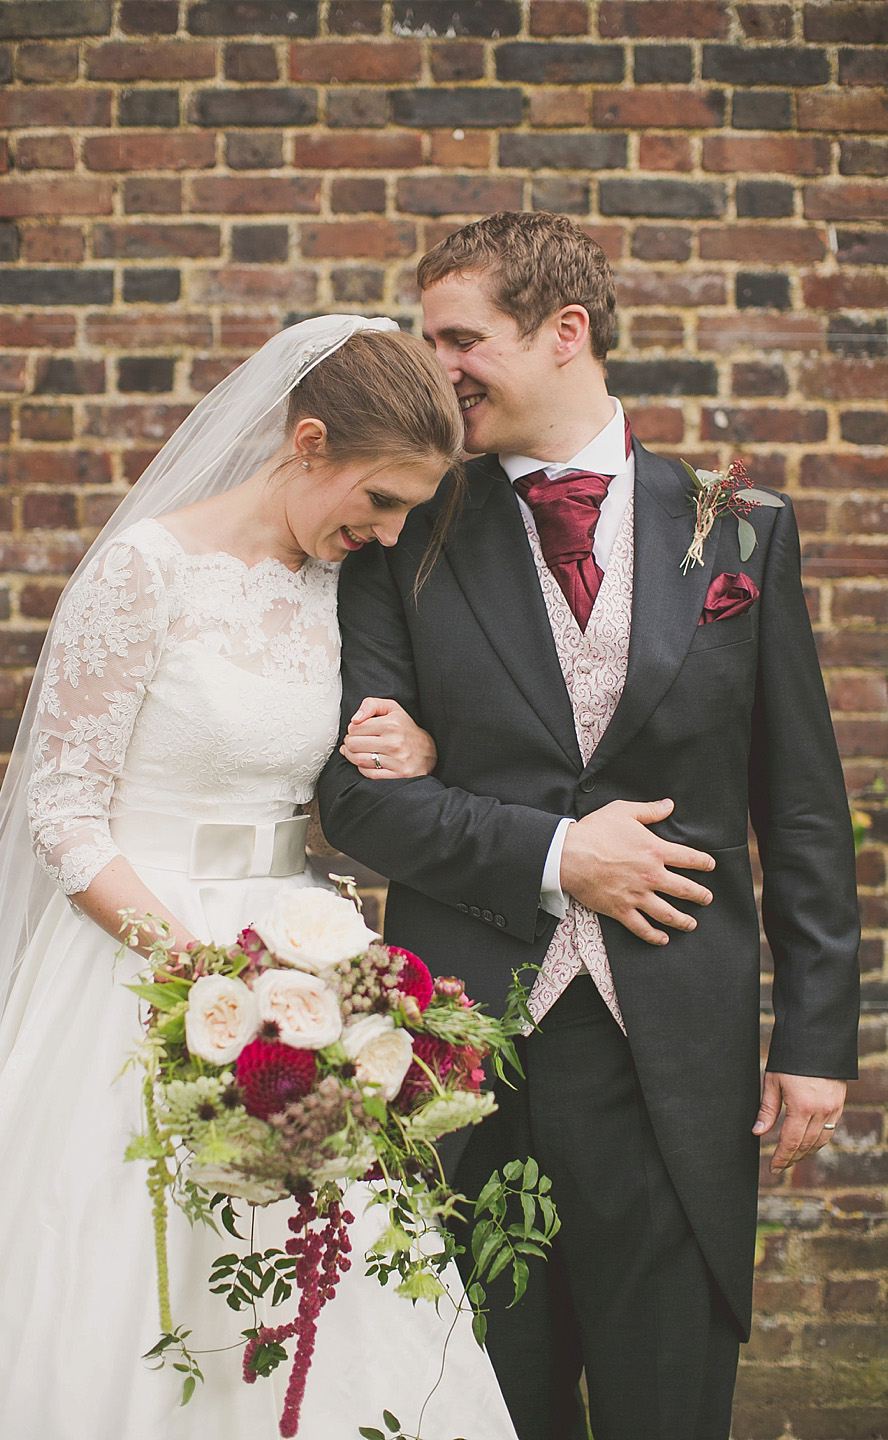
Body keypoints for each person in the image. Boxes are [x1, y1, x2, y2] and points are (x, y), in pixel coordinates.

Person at [318, 212, 861, 1440]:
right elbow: (353, 797)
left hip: (677, 1044)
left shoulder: (742, 528)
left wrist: (819, 1036)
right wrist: (559, 857)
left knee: (671, 1389)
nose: (436, 364)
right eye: (427, 337)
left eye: (462, 338)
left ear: (566, 333)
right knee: (485, 1398)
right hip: (467, 1045)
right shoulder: (405, 535)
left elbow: (806, 807)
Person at [0, 315, 520, 1440]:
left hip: (299, 975)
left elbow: (340, 771)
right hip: (139, 969)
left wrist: (423, 751)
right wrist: (198, 976)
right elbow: (62, 815)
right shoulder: (144, 572)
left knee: (316, 1273)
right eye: (382, 500)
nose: (390, 535)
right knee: (131, 1280)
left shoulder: (335, 587)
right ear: (307, 442)